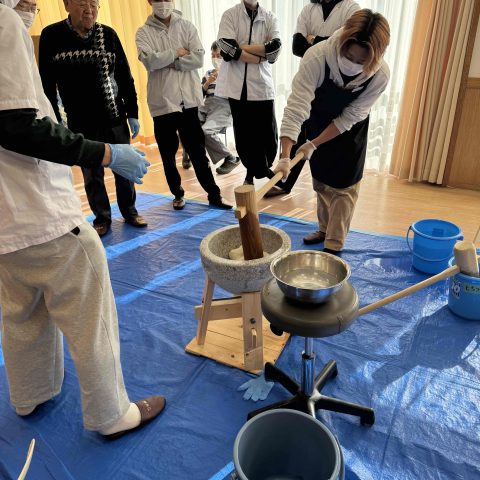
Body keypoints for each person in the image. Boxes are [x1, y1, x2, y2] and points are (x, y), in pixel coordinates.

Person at [0, 0, 165, 438]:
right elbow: (18, 124)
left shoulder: (97, 34)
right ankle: (112, 414)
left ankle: (29, 393)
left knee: (20, 309)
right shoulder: (7, 24)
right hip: (37, 211)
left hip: (4, 222)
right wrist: (106, 153)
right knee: (91, 312)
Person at [279, 9, 390, 254]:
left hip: (349, 131)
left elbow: (349, 117)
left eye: (361, 61)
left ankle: (333, 245)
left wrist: (315, 143)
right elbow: (297, 107)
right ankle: (323, 229)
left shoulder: (380, 76)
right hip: (318, 121)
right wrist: (286, 155)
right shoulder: (317, 56)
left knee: (343, 190)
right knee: (321, 183)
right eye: (348, 56)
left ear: (374, 58)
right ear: (342, 42)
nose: (352, 64)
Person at [39, 0, 147, 237]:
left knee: (124, 170)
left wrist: (133, 113)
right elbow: (46, 84)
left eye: (94, 4)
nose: (89, 10)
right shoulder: (51, 36)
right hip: (81, 122)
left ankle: (130, 211)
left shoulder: (108, 34)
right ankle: (102, 217)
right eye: (82, 4)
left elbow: (125, 77)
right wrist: (55, 118)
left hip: (114, 117)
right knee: (92, 175)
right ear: (67, 4)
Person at [136, 0, 232, 211]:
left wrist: (167, 60)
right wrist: (177, 52)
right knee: (168, 155)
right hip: (162, 103)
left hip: (188, 101)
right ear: (150, 1)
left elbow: (198, 59)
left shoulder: (187, 26)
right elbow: (149, 61)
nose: (163, 3)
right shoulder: (143, 32)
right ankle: (177, 194)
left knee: (197, 152)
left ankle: (214, 194)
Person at [266, 0, 360, 198]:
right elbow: (297, 47)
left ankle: (330, 186)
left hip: (338, 86)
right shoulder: (309, 9)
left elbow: (345, 48)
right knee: (299, 127)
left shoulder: (351, 9)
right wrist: (324, 42)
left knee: (329, 140)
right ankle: (284, 179)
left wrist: (313, 39)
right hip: (311, 76)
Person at [217, 0, 281, 185]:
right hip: (238, 88)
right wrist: (258, 56)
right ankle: (253, 173)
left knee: (267, 134)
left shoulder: (270, 17)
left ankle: (262, 169)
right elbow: (226, 47)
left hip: (262, 85)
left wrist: (242, 47)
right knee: (245, 136)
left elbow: (274, 51)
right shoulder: (230, 15)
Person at [185, 41, 240, 176]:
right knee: (184, 122)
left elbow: (237, 95)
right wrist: (207, 83)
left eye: (218, 56)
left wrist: (223, 77)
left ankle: (230, 158)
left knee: (206, 131)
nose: (215, 58)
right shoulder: (208, 73)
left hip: (223, 106)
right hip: (206, 104)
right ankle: (191, 153)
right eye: (213, 55)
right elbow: (199, 96)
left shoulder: (233, 72)